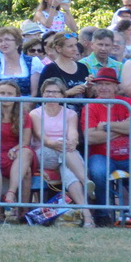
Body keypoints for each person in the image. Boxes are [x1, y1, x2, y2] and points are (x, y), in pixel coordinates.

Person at [24, 76, 87, 207]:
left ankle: (86, 213)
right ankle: (86, 181)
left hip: (65, 153)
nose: (51, 95)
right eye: (48, 91)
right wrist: (57, 144)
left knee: (69, 173)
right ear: (43, 93)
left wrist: (73, 141)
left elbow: (73, 132)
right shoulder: (35, 113)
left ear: (62, 95)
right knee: (66, 150)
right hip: (43, 152)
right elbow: (42, 136)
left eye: (55, 92)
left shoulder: (70, 113)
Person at [79, 67, 129, 226]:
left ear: (116, 86)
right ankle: (103, 215)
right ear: (94, 87)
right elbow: (90, 138)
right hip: (101, 155)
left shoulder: (128, 103)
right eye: (100, 84)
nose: (103, 87)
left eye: (108, 84)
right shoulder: (90, 107)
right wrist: (121, 129)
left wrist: (106, 126)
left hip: (129, 155)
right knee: (98, 172)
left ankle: (130, 214)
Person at [0, 80, 27, 207]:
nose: (6, 96)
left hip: (13, 153)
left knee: (27, 158)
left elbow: (25, 141)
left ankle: (20, 207)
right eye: (2, 93)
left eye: (9, 93)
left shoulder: (24, 115)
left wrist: (14, 149)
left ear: (17, 96)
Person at [37, 31, 89, 98]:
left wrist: (90, 87)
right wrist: (68, 93)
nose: (75, 49)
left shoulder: (82, 67)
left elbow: (89, 96)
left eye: (76, 45)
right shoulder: (50, 69)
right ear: (58, 48)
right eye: (70, 46)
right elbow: (41, 96)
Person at [0, 24, 38, 96]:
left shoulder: (33, 62)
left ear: (17, 43)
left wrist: (26, 103)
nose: (3, 43)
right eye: (0, 41)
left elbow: (34, 93)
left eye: (7, 40)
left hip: (27, 102)